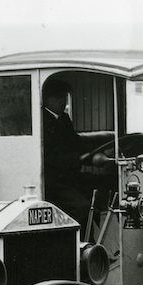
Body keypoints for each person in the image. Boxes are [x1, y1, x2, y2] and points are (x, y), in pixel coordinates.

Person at [41, 78, 91, 225]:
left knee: (103, 187)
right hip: (52, 181)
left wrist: (96, 152)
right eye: (58, 97)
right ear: (46, 99)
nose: (62, 101)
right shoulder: (41, 121)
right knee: (81, 205)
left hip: (69, 176)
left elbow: (75, 142)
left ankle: (91, 239)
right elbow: (51, 156)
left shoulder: (64, 118)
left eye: (64, 97)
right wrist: (82, 159)